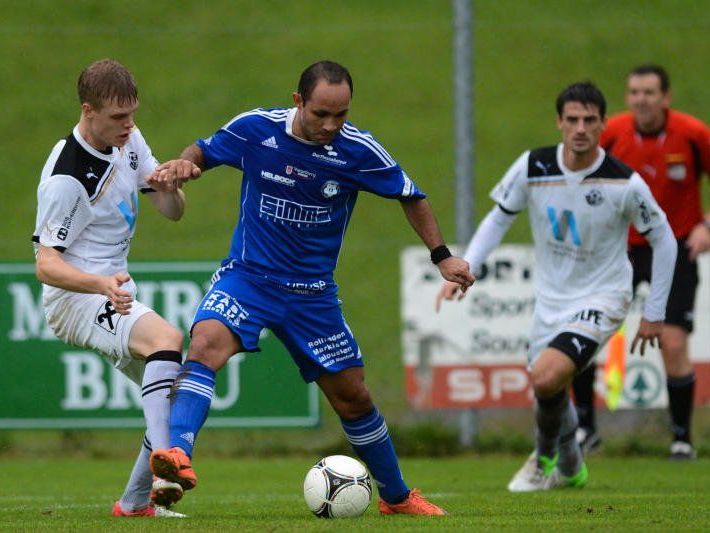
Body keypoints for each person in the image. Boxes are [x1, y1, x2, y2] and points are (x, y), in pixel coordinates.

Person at [147, 60, 474, 516]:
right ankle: (177, 458)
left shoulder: (358, 150)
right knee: (204, 342)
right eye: (321, 113)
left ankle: (397, 498)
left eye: (340, 115)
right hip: (249, 279)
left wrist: (442, 256)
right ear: (297, 100)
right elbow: (201, 152)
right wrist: (184, 163)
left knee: (353, 396)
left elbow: (410, 195)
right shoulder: (255, 129)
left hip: (312, 294)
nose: (331, 125)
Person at [437, 82, 677, 492]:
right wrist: (466, 266)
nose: (580, 128)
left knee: (547, 378)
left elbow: (664, 238)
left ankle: (542, 458)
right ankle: (571, 466)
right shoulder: (534, 166)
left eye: (589, 120)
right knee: (547, 384)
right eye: (572, 120)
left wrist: (654, 312)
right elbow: (499, 217)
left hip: (604, 297)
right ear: (559, 123)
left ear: (604, 123)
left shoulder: (624, 183)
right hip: (550, 302)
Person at [32, 59, 200, 517]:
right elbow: (46, 266)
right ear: (89, 111)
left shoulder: (128, 139)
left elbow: (172, 210)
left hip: (109, 288)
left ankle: (135, 504)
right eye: (118, 118)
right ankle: (169, 465)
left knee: (177, 395)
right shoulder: (68, 176)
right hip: (75, 297)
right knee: (167, 339)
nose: (129, 125)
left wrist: (170, 182)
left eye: (132, 115)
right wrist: (100, 283)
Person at [572, 65, 710, 460]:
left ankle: (682, 438)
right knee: (587, 331)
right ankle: (586, 430)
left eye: (649, 92)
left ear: (665, 97)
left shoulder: (694, 134)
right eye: (634, 92)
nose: (641, 100)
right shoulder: (612, 133)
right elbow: (581, 181)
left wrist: (706, 227)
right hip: (622, 250)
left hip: (678, 246)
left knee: (673, 340)